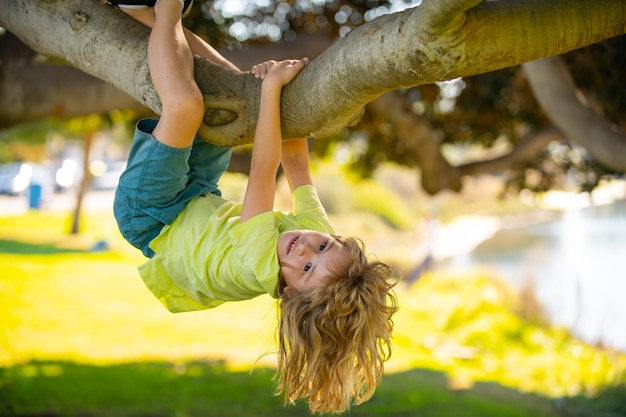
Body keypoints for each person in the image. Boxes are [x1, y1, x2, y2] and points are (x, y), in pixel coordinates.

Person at [108, 0, 398, 413]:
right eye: (323, 248)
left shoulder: (258, 263)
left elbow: (265, 168)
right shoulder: (313, 234)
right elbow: (295, 159)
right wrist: (283, 92)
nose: (304, 251)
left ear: (290, 293)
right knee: (232, 93)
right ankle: (139, 14)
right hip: (197, 196)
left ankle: (166, 9)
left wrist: (272, 89)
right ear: (339, 241)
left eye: (306, 271)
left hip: (151, 215)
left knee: (186, 107)